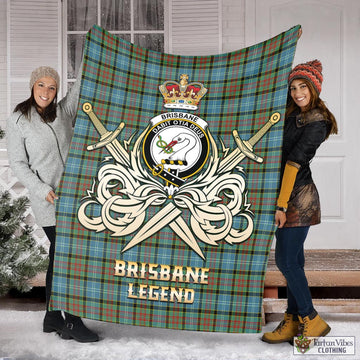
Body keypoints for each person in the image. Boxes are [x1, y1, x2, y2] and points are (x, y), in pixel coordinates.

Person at [6, 65, 99, 343]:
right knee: (66, 259)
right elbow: (19, 164)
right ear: (32, 86)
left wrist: (90, 53)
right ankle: (71, 320)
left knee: (60, 258)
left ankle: (51, 318)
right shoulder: (18, 119)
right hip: (47, 199)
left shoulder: (63, 112)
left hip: (73, 196)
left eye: (52, 87)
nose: (46, 92)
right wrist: (40, 187)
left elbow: (81, 86)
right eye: (41, 85)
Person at [262, 60, 338, 344]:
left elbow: (294, 163)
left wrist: (281, 206)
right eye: (293, 87)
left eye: (303, 86)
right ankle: (293, 321)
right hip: (285, 194)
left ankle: (311, 318)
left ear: (314, 89)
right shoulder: (292, 113)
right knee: (294, 260)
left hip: (299, 199)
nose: (297, 92)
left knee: (285, 260)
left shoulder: (318, 121)